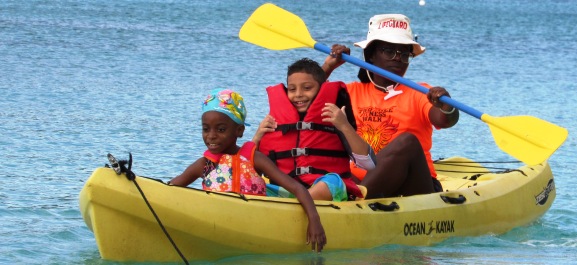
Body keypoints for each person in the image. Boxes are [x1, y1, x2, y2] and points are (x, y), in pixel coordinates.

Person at [169, 88, 326, 252]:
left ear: (240, 131)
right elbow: (170, 188)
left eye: (221, 129)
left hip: (254, 223)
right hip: (219, 224)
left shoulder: (254, 159)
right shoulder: (204, 164)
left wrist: (314, 220)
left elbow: (296, 188)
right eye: (206, 129)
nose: (211, 136)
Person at [322, 14, 460, 199]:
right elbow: (305, 103)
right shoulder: (351, 91)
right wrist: (328, 66)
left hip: (414, 185)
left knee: (408, 142)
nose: (397, 59)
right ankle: (355, 197)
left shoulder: (420, 91)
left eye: (404, 54)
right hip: (363, 182)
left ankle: (358, 201)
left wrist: (445, 104)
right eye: (389, 51)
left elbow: (445, 119)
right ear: (370, 56)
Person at [252, 58, 374, 201]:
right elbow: (248, 167)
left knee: (332, 182)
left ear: (322, 89)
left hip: (327, 190)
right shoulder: (274, 121)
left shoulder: (335, 118)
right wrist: (257, 137)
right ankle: (298, 206)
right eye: (292, 89)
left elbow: (369, 164)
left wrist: (344, 125)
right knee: (249, 184)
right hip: (287, 191)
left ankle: (298, 207)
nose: (298, 94)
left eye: (307, 88)